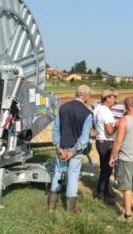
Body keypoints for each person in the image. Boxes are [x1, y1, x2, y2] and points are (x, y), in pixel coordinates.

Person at [48, 84, 93, 214]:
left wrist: (59, 148)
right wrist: (73, 151)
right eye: (89, 95)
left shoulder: (62, 108)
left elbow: (56, 130)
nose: (89, 98)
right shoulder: (87, 114)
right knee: (73, 176)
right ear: (85, 97)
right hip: (75, 153)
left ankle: (51, 206)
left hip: (61, 150)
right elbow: (84, 139)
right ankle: (71, 209)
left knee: (58, 173)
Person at [109, 97, 133, 221]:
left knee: (127, 187)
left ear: (125, 107)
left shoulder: (124, 120)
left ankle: (127, 215)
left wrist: (112, 156)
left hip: (126, 158)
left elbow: (118, 141)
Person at [93, 89, 119, 200]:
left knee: (105, 168)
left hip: (100, 141)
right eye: (113, 97)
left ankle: (104, 192)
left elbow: (94, 127)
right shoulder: (106, 111)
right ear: (107, 98)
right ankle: (101, 193)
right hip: (107, 142)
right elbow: (109, 131)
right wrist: (118, 125)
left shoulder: (97, 109)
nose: (115, 100)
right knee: (107, 169)